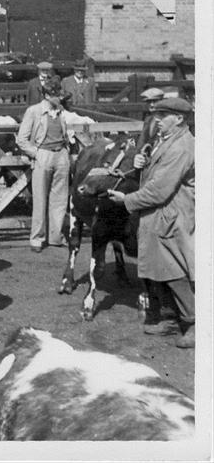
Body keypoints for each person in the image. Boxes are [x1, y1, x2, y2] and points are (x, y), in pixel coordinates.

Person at [108, 98, 195, 349]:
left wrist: (127, 200)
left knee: (175, 270)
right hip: (160, 214)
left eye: (163, 115)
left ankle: (195, 323)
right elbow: (155, 176)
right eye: (156, 115)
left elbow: (159, 190)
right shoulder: (166, 141)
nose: (157, 119)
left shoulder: (182, 147)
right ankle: (171, 319)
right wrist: (141, 166)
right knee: (159, 267)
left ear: (179, 119)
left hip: (173, 214)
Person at [17, 79, 70, 253]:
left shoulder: (61, 111)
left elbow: (66, 132)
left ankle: (56, 236)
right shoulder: (34, 111)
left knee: (60, 198)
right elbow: (21, 139)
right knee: (40, 199)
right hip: (43, 154)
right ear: (47, 96)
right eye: (56, 96)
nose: (60, 98)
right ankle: (37, 239)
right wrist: (36, 153)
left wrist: (67, 151)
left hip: (61, 153)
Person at [135, 87, 166, 156]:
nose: (151, 105)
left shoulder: (166, 119)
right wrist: (137, 155)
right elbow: (142, 140)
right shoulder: (148, 119)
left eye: (155, 101)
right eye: (149, 102)